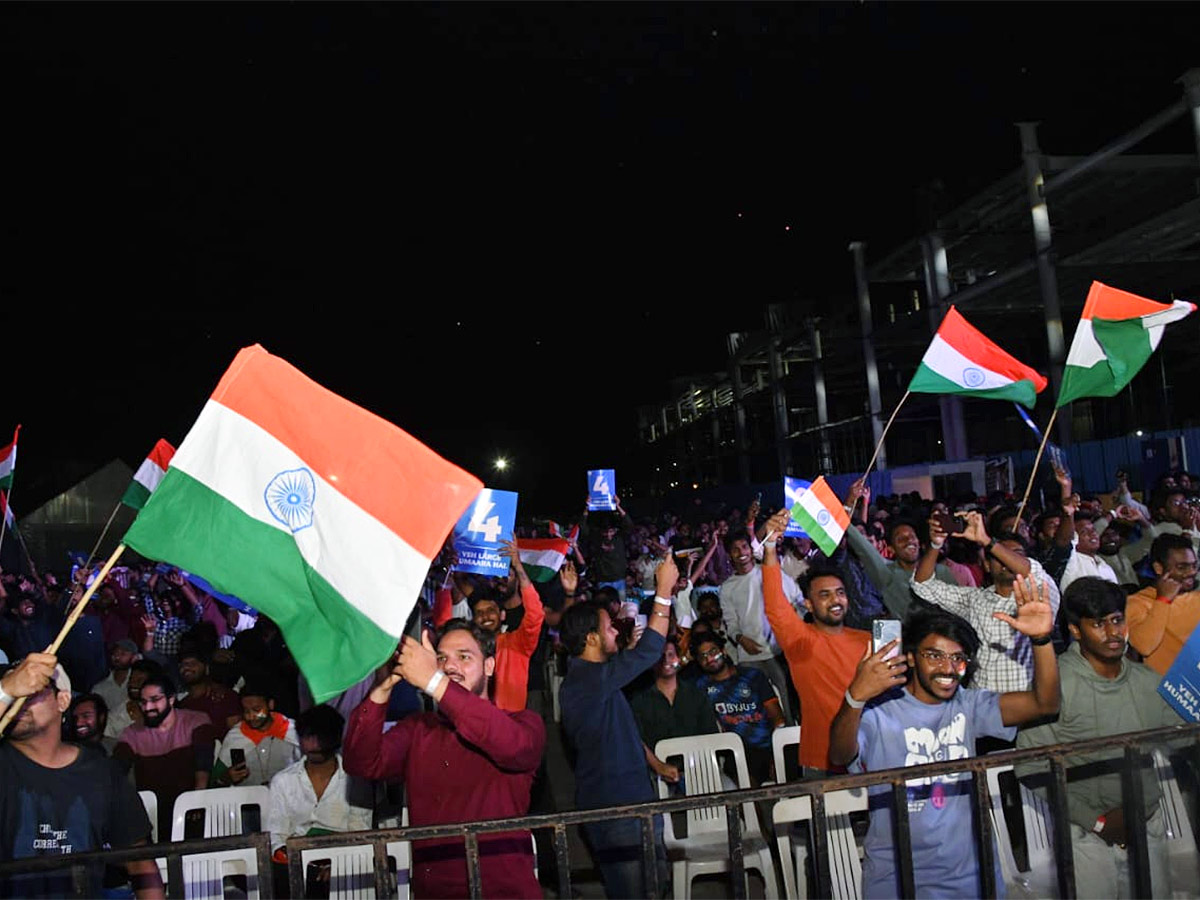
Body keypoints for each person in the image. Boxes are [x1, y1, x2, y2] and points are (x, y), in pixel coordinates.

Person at [828, 575, 1060, 898]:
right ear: (910, 657)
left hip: (970, 874)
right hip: (898, 877)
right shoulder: (879, 711)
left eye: (958, 658)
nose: (948, 668)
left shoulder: (968, 704)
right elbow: (839, 756)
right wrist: (855, 697)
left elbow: (1045, 703)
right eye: (934, 656)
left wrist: (1042, 640)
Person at [342, 620, 545, 899]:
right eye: (440, 659)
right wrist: (382, 687)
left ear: (489, 666)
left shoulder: (523, 723)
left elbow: (509, 745)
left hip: (503, 891)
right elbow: (361, 762)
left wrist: (435, 681)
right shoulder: (419, 729)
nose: (450, 666)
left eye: (464, 657)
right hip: (435, 891)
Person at [1017, 577, 1181, 898]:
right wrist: (1098, 822)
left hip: (1146, 823)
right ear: (1076, 630)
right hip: (1085, 832)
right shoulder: (1056, 687)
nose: (1113, 633)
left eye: (1117, 620)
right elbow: (1029, 766)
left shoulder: (1148, 682)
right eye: (1098, 624)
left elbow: (1183, 740)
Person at [0, 653, 164, 899]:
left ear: (62, 700)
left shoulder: (101, 772)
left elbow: (139, 863)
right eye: (15, 693)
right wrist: (5, 691)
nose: (18, 700)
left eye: (32, 689)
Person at [559, 555, 676, 898]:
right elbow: (651, 649)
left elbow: (618, 732)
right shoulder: (586, 682)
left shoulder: (596, 681)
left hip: (636, 800)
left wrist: (655, 764)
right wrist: (664, 589)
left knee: (657, 887)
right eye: (609, 626)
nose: (615, 630)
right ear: (592, 639)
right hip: (615, 812)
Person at [760, 508, 872, 776]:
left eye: (840, 593)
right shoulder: (801, 641)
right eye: (825, 595)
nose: (835, 600)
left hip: (870, 755)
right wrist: (771, 548)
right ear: (808, 604)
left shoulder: (868, 641)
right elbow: (775, 605)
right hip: (821, 760)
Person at [912, 511, 1060, 694]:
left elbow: (1031, 572)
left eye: (1016, 555)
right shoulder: (974, 599)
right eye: (999, 557)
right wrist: (936, 544)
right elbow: (922, 585)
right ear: (987, 566)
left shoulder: (1041, 596)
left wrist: (988, 542)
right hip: (982, 706)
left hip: (1028, 704)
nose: (1007, 562)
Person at [433, 539, 545, 711]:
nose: (485, 616)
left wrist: (518, 567)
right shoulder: (466, 647)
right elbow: (442, 623)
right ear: (473, 618)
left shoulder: (516, 644)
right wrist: (449, 571)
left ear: (502, 615)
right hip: (472, 721)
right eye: (479, 612)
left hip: (509, 725)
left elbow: (535, 615)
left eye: (491, 610)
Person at [113, 671, 216, 840]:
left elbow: (203, 762)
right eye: (144, 702)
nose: (148, 708)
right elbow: (117, 767)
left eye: (155, 700)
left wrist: (197, 798)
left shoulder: (195, 721)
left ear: (171, 699)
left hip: (192, 809)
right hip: (152, 815)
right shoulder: (132, 733)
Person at [266, 704, 373, 866]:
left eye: (321, 737)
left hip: (346, 861)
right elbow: (276, 833)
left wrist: (337, 864)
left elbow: (360, 833)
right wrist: (283, 852)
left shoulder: (355, 779)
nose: (314, 744)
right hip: (296, 864)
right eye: (308, 737)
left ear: (336, 739)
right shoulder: (283, 781)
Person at [719, 526, 802, 724]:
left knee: (786, 700)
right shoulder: (727, 587)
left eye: (744, 547)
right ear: (729, 554)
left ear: (751, 549)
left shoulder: (770, 572)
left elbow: (797, 600)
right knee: (755, 704)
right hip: (749, 655)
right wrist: (740, 639)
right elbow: (731, 623)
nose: (741, 553)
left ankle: (791, 743)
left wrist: (790, 630)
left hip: (777, 651)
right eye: (735, 549)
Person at [842, 480, 958, 621]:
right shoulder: (887, 574)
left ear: (919, 542)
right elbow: (850, 531)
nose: (908, 541)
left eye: (911, 536)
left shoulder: (941, 572)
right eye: (900, 539)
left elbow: (960, 610)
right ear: (891, 548)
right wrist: (850, 502)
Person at [691, 631, 786, 785]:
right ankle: (755, 809)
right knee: (743, 776)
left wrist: (777, 755)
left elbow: (778, 718)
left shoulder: (752, 676)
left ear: (724, 651)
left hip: (769, 746)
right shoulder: (700, 687)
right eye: (703, 656)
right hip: (736, 751)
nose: (709, 658)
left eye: (713, 651)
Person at [631, 637, 719, 788]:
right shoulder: (640, 700)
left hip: (699, 770)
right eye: (660, 656)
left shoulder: (696, 694)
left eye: (671, 654)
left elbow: (710, 735)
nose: (666, 660)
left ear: (678, 658)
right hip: (656, 774)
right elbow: (637, 741)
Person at [1126, 533, 1199, 675]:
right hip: (1166, 691)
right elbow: (1144, 646)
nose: (1191, 572)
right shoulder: (1136, 603)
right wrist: (1163, 600)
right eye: (1182, 567)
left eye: (1194, 566)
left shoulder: (1196, 598)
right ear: (1158, 568)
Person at [212, 682, 301, 787]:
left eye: (257, 710)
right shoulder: (235, 736)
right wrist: (226, 777)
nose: (251, 716)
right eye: (246, 711)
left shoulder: (293, 730)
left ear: (270, 704)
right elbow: (215, 781)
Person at [175, 646, 242, 733]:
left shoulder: (225, 697)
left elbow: (236, 733)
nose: (186, 668)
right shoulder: (182, 705)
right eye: (183, 665)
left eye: (192, 664)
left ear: (206, 668)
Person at [65, 692, 117, 756]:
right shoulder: (67, 748)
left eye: (86, 716)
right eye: (75, 718)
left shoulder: (116, 747)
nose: (78, 723)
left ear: (101, 717)